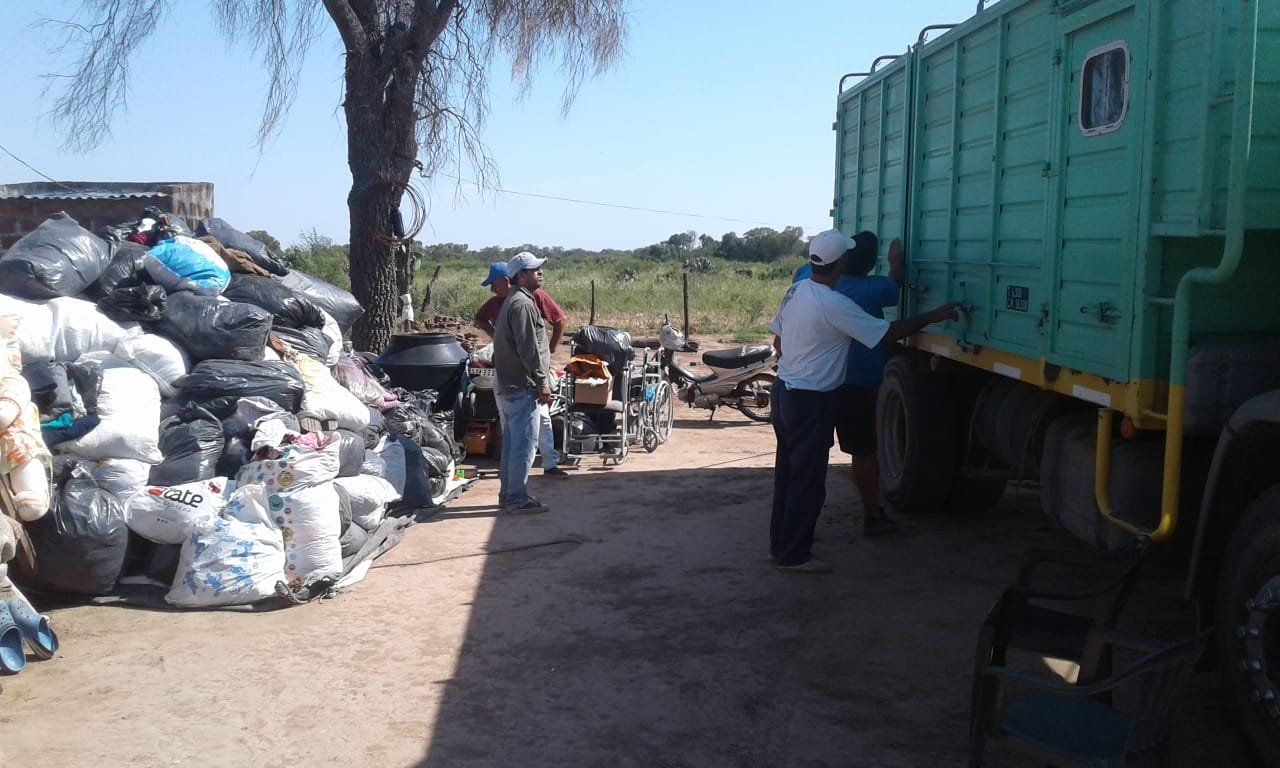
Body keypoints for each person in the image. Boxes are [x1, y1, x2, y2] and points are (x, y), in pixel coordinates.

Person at [770, 229, 959, 573]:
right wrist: (933, 316)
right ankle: (794, 555)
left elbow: (777, 343)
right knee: (807, 481)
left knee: (788, 474)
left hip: (784, 392)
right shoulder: (835, 305)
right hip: (810, 401)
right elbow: (886, 333)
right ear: (840, 262)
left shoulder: (797, 290)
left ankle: (781, 545)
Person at [791, 231, 905, 535]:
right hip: (858, 385)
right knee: (863, 451)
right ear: (870, 265)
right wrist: (896, 262)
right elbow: (896, 285)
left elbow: (804, 270)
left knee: (811, 455)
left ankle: (798, 524)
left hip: (814, 384)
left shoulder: (806, 277)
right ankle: (872, 514)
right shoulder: (874, 289)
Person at [475, 261, 569, 477]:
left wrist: (551, 349)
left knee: (538, 421)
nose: (491, 289)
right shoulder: (512, 302)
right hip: (513, 374)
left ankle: (546, 463)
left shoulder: (528, 301)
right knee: (514, 427)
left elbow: (557, 322)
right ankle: (514, 479)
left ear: (507, 281)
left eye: (494, 284)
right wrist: (496, 336)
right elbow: (526, 347)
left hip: (527, 375)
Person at [492, 252, 556, 513]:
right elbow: (529, 349)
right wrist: (542, 382)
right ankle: (517, 498)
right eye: (534, 269)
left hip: (511, 384)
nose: (539, 272)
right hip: (522, 385)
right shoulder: (522, 305)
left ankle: (508, 495)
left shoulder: (513, 301)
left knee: (512, 444)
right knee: (523, 445)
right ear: (520, 275)